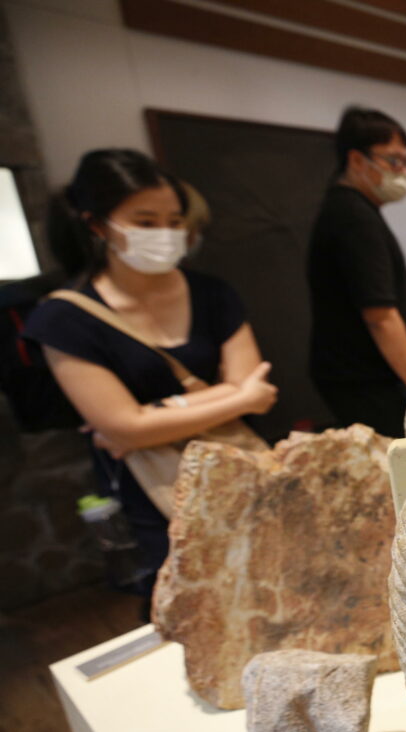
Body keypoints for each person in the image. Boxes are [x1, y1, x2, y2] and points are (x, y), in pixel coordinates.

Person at [22, 148, 276, 599]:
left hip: (240, 476)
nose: (165, 233)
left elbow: (253, 386)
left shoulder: (213, 293)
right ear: (97, 225)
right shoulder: (63, 319)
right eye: (144, 222)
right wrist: (234, 400)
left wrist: (149, 417)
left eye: (174, 221)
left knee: (268, 587)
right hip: (153, 499)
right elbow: (129, 427)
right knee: (187, 606)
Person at [307, 106, 406, 437]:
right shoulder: (354, 218)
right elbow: (380, 315)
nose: (403, 171)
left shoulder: (354, 210)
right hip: (366, 380)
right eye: (393, 161)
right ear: (357, 160)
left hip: (362, 377)